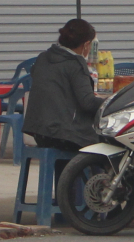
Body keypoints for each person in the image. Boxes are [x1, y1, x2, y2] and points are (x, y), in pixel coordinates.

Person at [24, 18, 106, 152]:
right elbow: (88, 103)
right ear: (86, 44)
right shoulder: (75, 64)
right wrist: (111, 102)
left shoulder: (43, 58)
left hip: (38, 131)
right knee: (105, 144)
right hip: (62, 134)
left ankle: (65, 173)